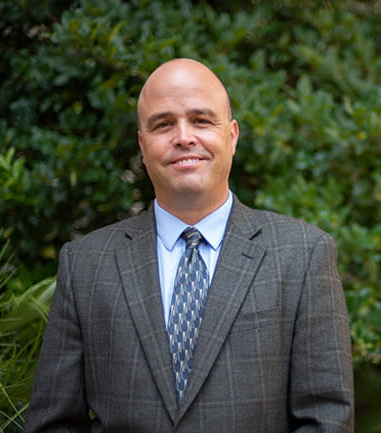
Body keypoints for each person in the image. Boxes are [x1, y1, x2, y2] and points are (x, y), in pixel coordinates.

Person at [23, 58, 354, 433]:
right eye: (163, 124)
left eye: (200, 120)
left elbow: (326, 420)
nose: (183, 137)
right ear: (142, 144)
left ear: (231, 135)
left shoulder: (302, 256)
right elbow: (54, 423)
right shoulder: (85, 264)